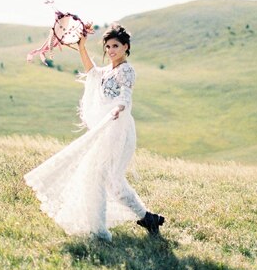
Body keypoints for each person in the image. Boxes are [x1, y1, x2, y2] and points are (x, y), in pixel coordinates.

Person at [24, 23, 165, 242]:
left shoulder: (126, 70)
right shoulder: (107, 70)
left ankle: (102, 230)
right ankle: (147, 218)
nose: (110, 50)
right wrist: (82, 46)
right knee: (106, 179)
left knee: (103, 177)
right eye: (107, 46)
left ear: (126, 47)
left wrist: (119, 107)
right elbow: (91, 71)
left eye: (115, 46)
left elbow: (126, 96)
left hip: (118, 130)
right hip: (106, 129)